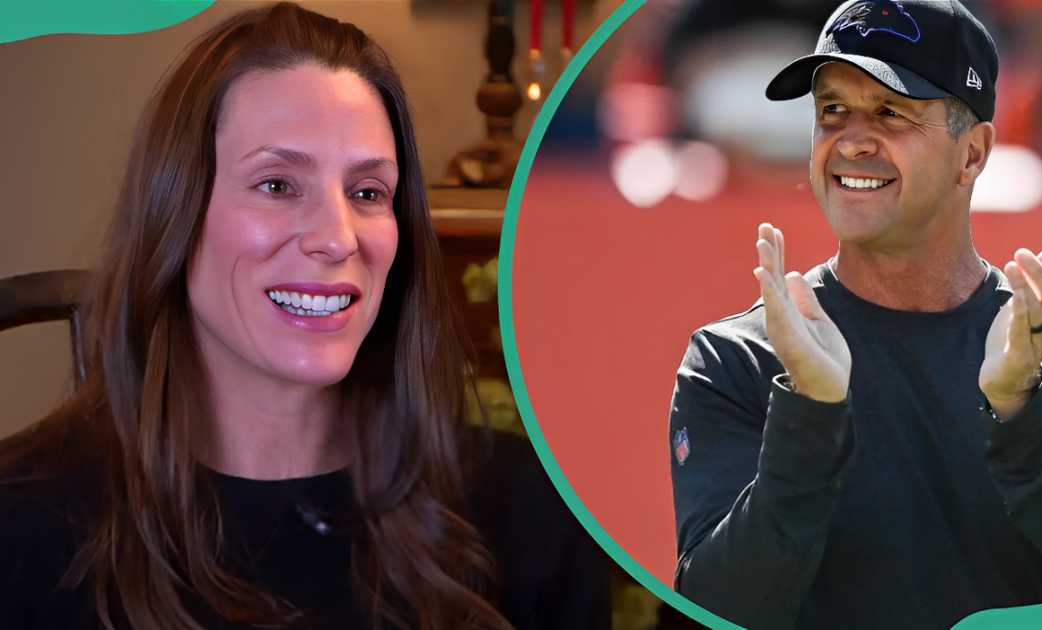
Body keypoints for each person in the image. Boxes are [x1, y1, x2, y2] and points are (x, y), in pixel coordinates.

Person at [0, 4, 608, 629]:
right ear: (174, 213)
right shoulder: (20, 525)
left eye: (368, 192)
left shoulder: (527, 511)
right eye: (277, 185)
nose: (338, 237)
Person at [668, 1, 1042, 629]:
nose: (851, 140)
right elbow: (720, 608)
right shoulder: (736, 361)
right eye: (832, 111)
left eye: (890, 112)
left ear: (973, 154)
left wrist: (1022, 407)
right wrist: (810, 412)